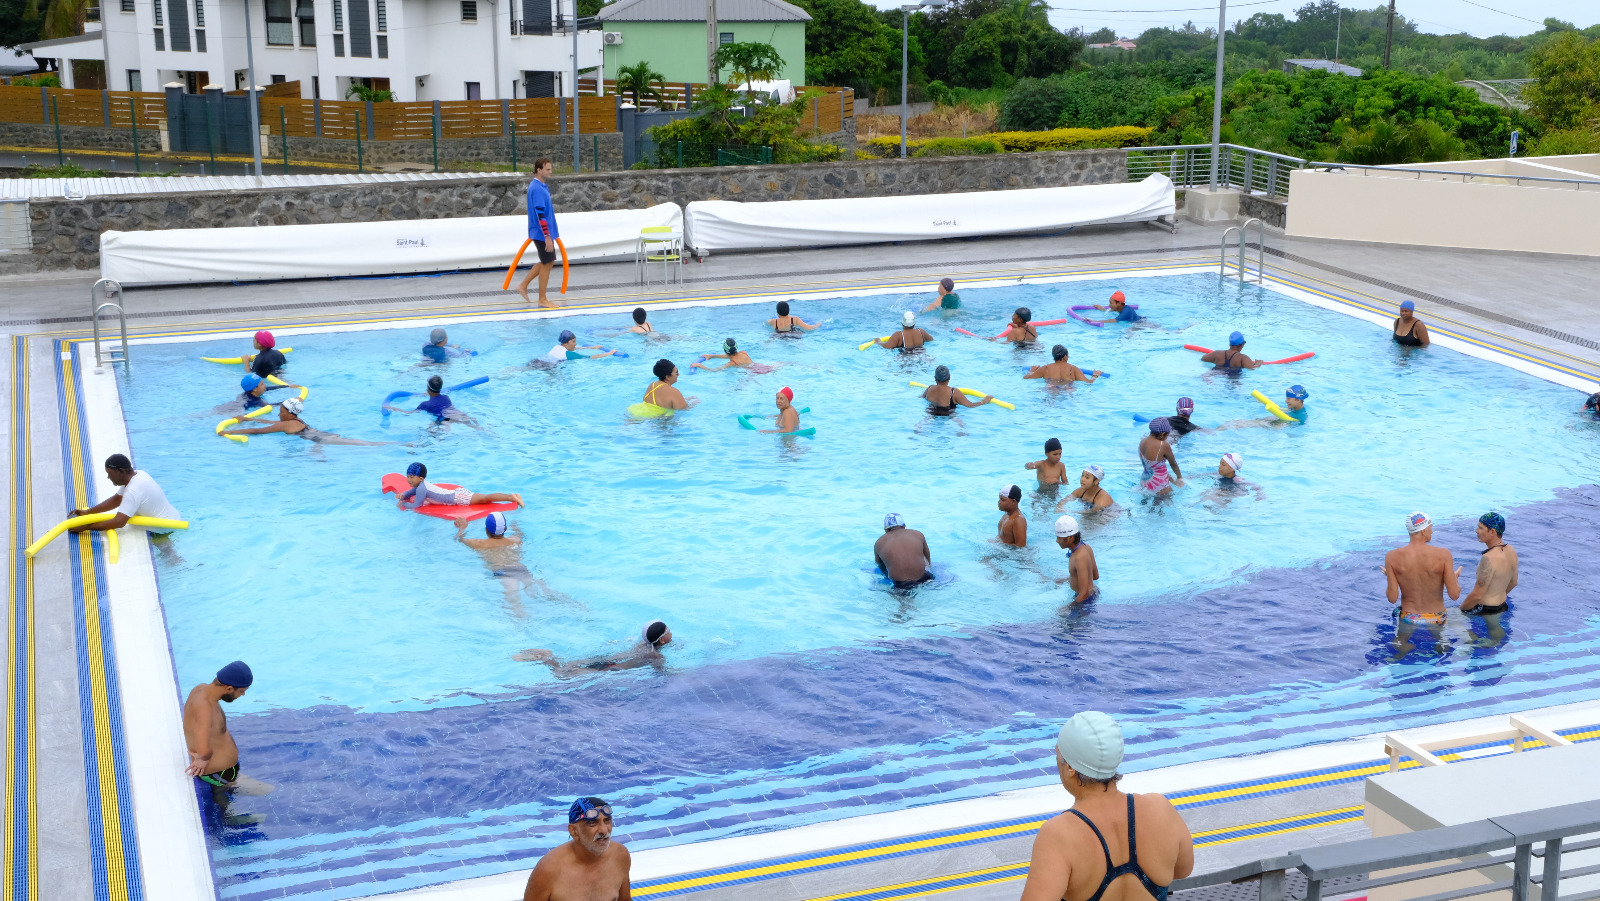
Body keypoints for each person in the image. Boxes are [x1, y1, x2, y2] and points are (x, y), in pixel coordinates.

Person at [1019, 712, 1193, 901]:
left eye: (1057, 753)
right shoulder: (1160, 809)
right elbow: (1183, 869)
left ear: (1070, 768)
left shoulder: (1059, 834)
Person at [184, 661, 274, 799]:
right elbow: (203, 750)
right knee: (269, 791)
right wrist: (203, 758)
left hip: (224, 771)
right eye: (242, 691)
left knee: (226, 804)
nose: (242, 695)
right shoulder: (204, 708)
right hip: (218, 775)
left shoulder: (201, 689)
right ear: (229, 688)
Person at [455, 513, 574, 615]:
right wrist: (516, 526)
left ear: (486, 530)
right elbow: (521, 535)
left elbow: (459, 539)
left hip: (504, 572)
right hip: (522, 569)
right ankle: (577, 607)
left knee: (514, 600)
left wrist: (463, 527)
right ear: (505, 529)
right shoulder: (515, 540)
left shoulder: (478, 543)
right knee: (546, 590)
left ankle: (523, 624)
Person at [521, 797, 633, 901]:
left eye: (607, 820)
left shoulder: (619, 856)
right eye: (592, 823)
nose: (604, 830)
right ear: (574, 831)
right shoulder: (548, 871)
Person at [1383, 512, 1462, 656]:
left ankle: (1407, 650)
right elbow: (1455, 595)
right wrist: (1454, 578)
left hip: (1409, 617)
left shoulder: (1392, 557)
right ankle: (1440, 650)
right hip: (1436, 617)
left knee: (1398, 644)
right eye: (1431, 528)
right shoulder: (1443, 554)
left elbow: (1392, 598)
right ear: (1424, 530)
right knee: (1444, 643)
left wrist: (1391, 577)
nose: (1432, 532)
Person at [67, 454, 182, 535]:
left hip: (163, 527)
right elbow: (116, 500)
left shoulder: (133, 491)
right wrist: (87, 512)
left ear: (121, 471)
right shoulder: (140, 474)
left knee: (168, 555)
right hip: (173, 519)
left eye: (110, 474)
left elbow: (119, 522)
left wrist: (85, 528)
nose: (108, 477)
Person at [514, 621, 672, 676]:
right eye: (668, 631)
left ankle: (546, 657)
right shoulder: (657, 656)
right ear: (663, 640)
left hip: (606, 659)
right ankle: (545, 657)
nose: (671, 633)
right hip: (612, 669)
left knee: (568, 666)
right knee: (561, 674)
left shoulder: (641, 644)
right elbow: (662, 672)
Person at [222, 397, 390, 445]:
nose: (278, 415)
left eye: (281, 412)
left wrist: (228, 432)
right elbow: (268, 423)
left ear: (289, 413)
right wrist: (247, 418)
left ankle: (396, 444)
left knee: (367, 444)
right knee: (365, 442)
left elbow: (255, 432)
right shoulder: (295, 419)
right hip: (322, 435)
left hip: (321, 439)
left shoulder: (284, 423)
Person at [1460, 512, 1516, 643]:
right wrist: (1497, 595)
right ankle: (1494, 641)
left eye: (1480, 528)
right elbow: (1514, 582)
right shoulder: (1511, 550)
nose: (1476, 531)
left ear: (1492, 531)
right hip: (1501, 605)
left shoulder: (1488, 558)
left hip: (1485, 609)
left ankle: (1476, 643)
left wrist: (1461, 611)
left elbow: (1477, 595)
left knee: (1451, 620)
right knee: (1494, 627)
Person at [515, 158, 561, 309]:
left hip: (543, 232)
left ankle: (523, 285)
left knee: (547, 261)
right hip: (542, 233)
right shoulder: (537, 188)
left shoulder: (541, 186)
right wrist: (547, 236)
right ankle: (542, 299)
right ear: (539, 170)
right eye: (548, 169)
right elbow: (540, 214)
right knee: (547, 262)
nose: (551, 172)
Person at [397, 462, 523, 510]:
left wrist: (403, 503)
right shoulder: (421, 486)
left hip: (457, 498)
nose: (408, 480)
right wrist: (403, 495)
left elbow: (416, 506)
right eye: (408, 476)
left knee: (485, 499)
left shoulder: (422, 488)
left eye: (411, 477)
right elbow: (412, 491)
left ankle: (511, 497)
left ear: (421, 478)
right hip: (457, 494)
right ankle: (513, 496)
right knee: (484, 498)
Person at [874, 513, 932, 588]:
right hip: (924, 577)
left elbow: (879, 564)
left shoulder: (879, 543)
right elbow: (927, 554)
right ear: (904, 526)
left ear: (885, 530)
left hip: (900, 584)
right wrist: (929, 566)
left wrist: (886, 576)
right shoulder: (918, 534)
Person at [1054, 516, 1099, 604]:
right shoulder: (1086, 547)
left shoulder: (1078, 557)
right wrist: (1070, 579)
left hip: (1084, 600)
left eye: (1059, 538)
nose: (1057, 541)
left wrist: (1069, 607)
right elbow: (1095, 576)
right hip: (1091, 594)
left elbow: (1084, 593)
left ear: (1070, 538)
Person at [386, 375, 464, 422]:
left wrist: (394, 408)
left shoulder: (425, 405)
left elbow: (409, 413)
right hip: (454, 415)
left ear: (428, 389)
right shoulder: (446, 398)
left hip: (442, 421)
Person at [1138, 419, 1184, 496]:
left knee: (1145, 502)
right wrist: (1179, 477)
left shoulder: (1142, 441)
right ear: (1162, 434)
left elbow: (1156, 467)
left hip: (1145, 480)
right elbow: (1173, 464)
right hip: (1159, 484)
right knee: (1165, 502)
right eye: (1167, 435)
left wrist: (1172, 481)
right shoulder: (1163, 445)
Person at [922, 365, 993, 416]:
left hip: (931, 412)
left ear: (935, 378)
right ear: (949, 377)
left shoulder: (929, 389)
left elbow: (921, 397)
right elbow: (970, 405)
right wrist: (984, 401)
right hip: (949, 413)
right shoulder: (953, 392)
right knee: (960, 426)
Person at [1026, 345, 1101, 383]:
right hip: (1068, 388)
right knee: (1069, 389)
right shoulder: (1073, 368)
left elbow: (1027, 378)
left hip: (1051, 388)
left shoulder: (1045, 368)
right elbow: (1089, 382)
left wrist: (1031, 371)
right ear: (1065, 356)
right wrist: (1095, 375)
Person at [692, 338, 773, 373]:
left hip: (754, 373)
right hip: (762, 366)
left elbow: (715, 370)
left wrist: (700, 365)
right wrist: (711, 356)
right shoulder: (743, 352)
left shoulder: (732, 363)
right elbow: (729, 355)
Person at [542, 330, 617, 363]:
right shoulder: (569, 354)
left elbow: (575, 348)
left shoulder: (557, 347)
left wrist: (593, 347)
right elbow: (591, 357)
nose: (576, 344)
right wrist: (609, 353)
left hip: (537, 361)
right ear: (565, 343)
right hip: (547, 367)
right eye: (573, 341)